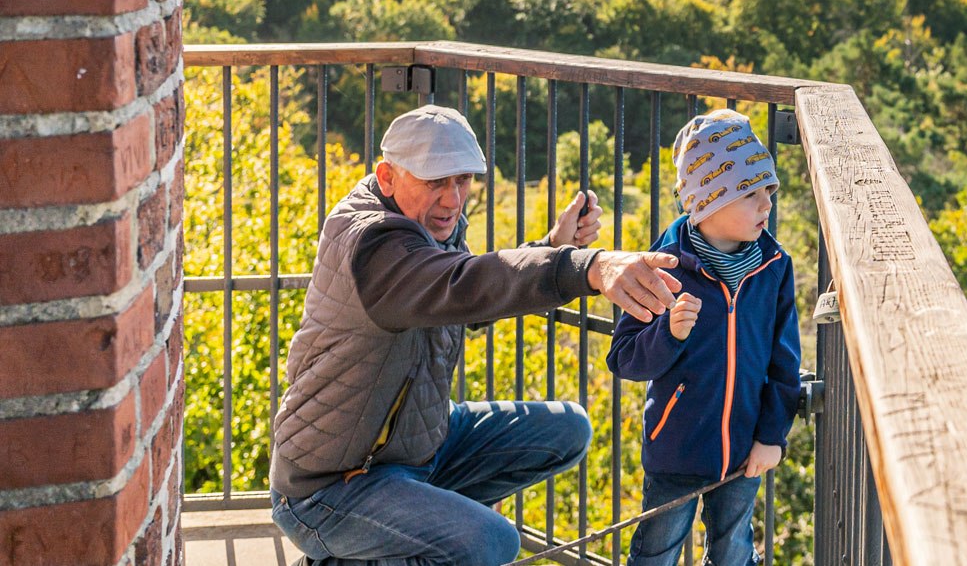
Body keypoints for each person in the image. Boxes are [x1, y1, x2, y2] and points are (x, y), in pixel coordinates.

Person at [269, 104, 684, 565]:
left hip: (413, 451)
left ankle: (405, 529)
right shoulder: (373, 243)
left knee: (567, 429)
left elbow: (463, 304)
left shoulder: (430, 225)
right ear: (387, 177)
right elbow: (463, 284)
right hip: (331, 486)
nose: (453, 198)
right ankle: (361, 548)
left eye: (462, 180)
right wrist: (588, 266)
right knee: (491, 542)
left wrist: (551, 247)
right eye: (434, 182)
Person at [607, 109, 803, 566]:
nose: (767, 205)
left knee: (734, 552)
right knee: (655, 554)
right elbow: (625, 358)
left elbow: (784, 361)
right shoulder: (664, 265)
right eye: (751, 193)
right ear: (708, 201)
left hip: (743, 453)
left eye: (768, 191)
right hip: (675, 452)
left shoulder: (774, 268)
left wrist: (771, 436)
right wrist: (668, 334)